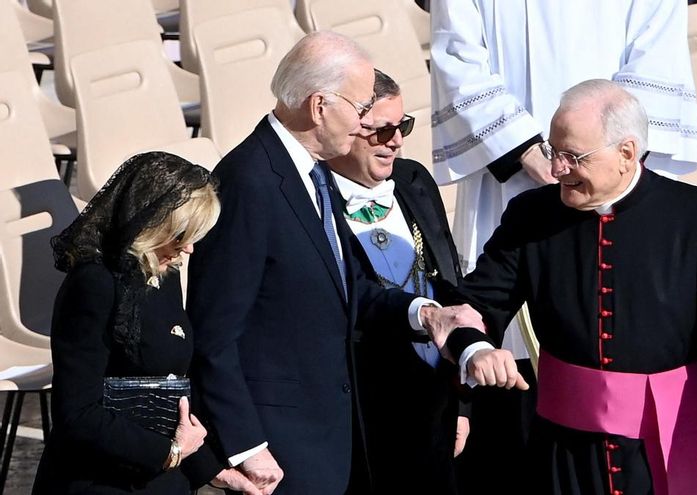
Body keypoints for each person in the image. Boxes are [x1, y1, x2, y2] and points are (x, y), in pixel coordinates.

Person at [185, 32, 511, 495]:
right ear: (319, 106)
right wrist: (246, 445)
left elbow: (347, 286)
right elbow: (214, 332)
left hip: (332, 438)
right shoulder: (249, 181)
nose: (362, 125)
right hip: (280, 449)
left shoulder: (311, 172)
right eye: (360, 109)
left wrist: (424, 313)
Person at [449, 80, 697, 495]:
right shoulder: (531, 215)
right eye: (553, 151)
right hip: (563, 452)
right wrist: (474, 347)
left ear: (626, 153)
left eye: (573, 156)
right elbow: (476, 303)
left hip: (667, 444)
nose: (557, 169)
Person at [430, 4, 697, 484]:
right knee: (505, 380)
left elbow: (654, 49)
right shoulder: (527, 206)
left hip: (613, 176)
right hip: (510, 180)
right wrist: (528, 151)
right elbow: (457, 54)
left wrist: (601, 158)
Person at [32, 152, 259, 494]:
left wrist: (211, 470)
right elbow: (77, 414)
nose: (188, 249)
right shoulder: (94, 284)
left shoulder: (161, 273)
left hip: (160, 476)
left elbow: (167, 393)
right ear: (150, 224)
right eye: (180, 235)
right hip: (101, 481)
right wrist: (170, 452)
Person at [326, 69, 466, 494]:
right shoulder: (314, 196)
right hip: (362, 409)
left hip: (435, 398)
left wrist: (463, 403)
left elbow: (448, 280)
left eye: (402, 126)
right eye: (381, 130)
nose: (396, 141)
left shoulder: (413, 179)